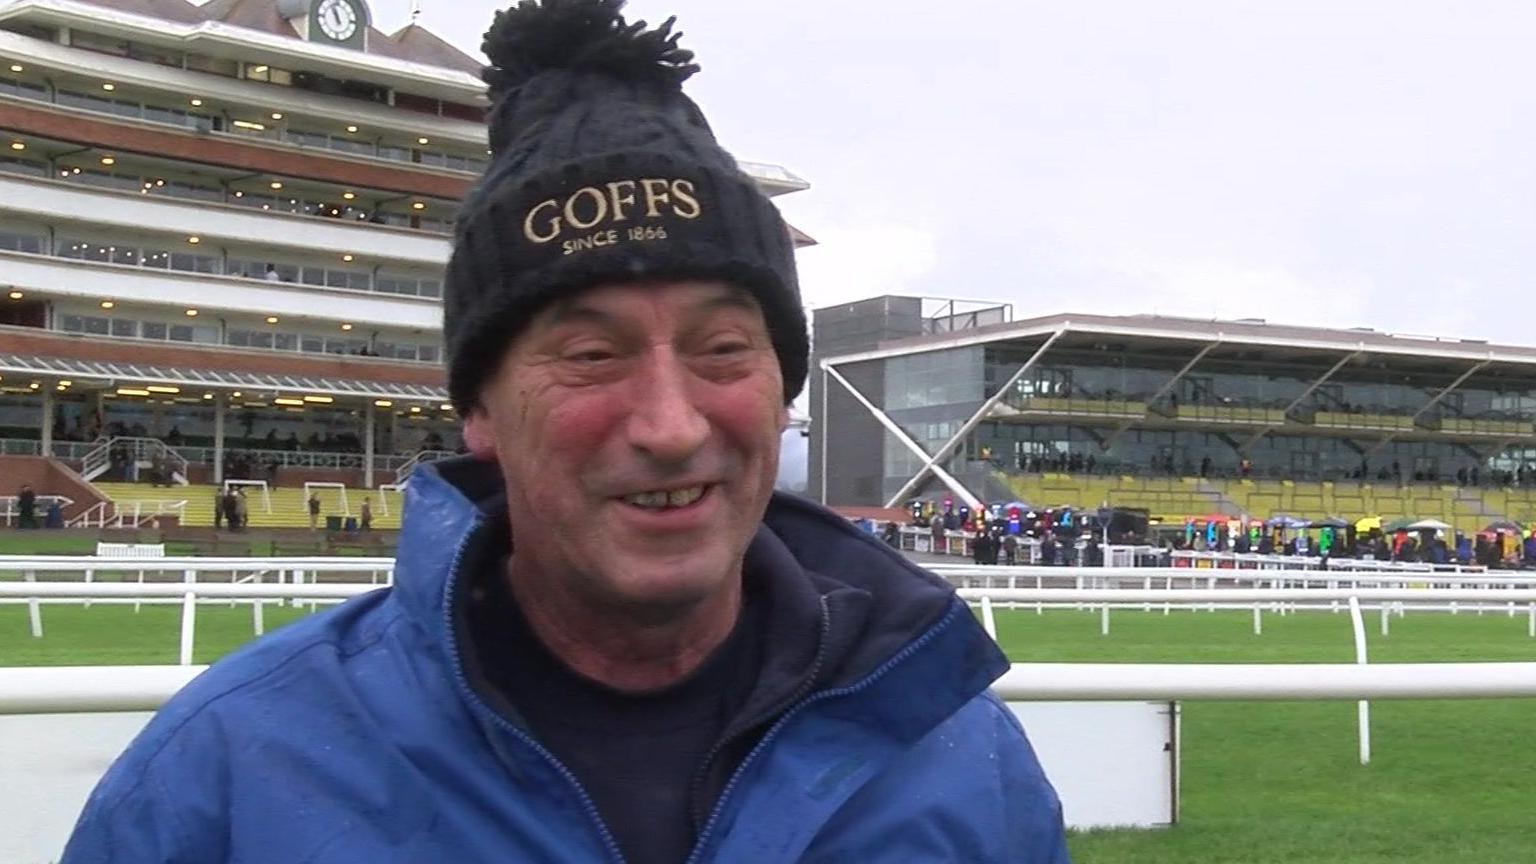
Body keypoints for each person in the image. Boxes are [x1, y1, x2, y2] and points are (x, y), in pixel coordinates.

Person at [61, 3, 1068, 862]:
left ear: (780, 390)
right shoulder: (227, 772)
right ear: (479, 412)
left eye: (723, 349)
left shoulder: (963, 758)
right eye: (592, 356)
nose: (672, 426)